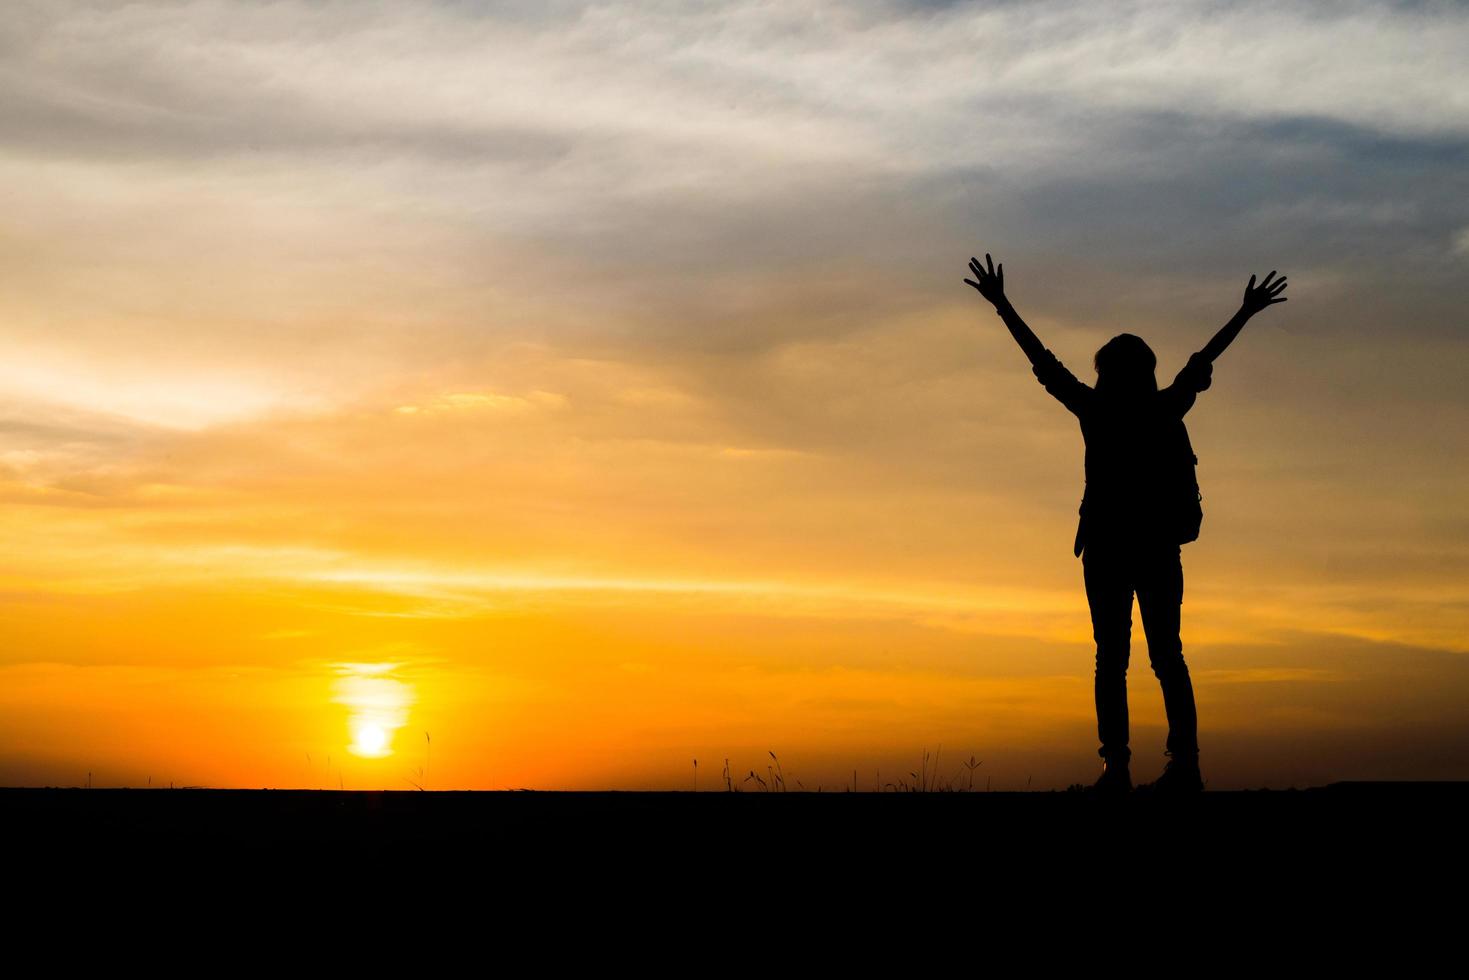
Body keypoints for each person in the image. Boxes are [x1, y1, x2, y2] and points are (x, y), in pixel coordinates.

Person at [963, 254, 1288, 793]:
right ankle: (1182, 766)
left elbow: (1043, 363)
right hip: (1156, 548)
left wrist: (1002, 306)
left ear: (1106, 374)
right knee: (1166, 655)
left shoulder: (1097, 411)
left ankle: (1120, 767)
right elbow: (1204, 359)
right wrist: (1246, 312)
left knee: (1112, 658)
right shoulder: (1165, 409)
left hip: (1111, 549)